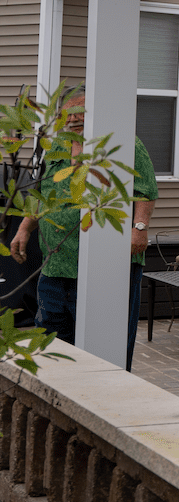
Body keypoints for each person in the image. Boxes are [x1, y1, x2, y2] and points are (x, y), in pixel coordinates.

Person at [8, 92, 157, 371]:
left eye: (81, 111)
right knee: (51, 341)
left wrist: (139, 229)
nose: (74, 118)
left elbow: (145, 190)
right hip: (56, 265)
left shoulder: (123, 144)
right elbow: (41, 193)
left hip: (106, 267)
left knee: (106, 345)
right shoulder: (57, 147)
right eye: (69, 113)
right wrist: (25, 227)